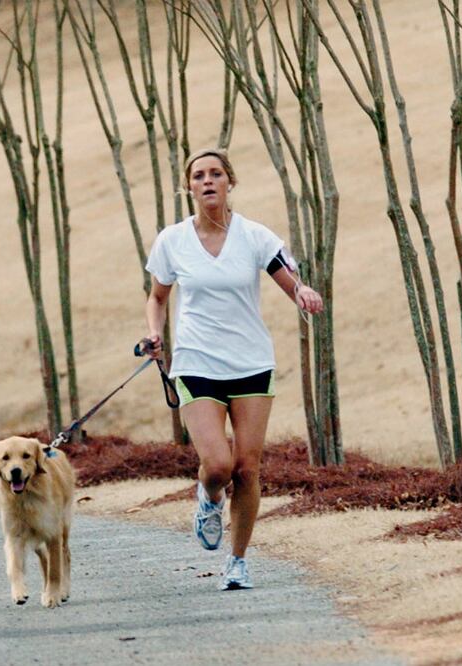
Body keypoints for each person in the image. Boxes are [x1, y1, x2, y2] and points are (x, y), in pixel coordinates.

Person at [142, 147, 324, 590]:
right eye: (199, 175)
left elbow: (288, 278)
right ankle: (208, 497)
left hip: (251, 363)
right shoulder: (172, 240)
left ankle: (237, 561)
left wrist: (302, 293)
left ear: (229, 182)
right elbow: (158, 298)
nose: (208, 181)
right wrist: (154, 334)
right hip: (197, 362)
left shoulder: (255, 236)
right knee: (218, 464)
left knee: (247, 467)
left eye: (216, 174)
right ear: (189, 187)